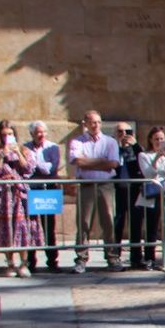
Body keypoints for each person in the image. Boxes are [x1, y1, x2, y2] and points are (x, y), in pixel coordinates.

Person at [0, 121, 40, 277]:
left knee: (22, 226)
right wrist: (0, 156)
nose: (7, 137)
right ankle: (10, 264)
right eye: (4, 134)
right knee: (6, 228)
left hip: (19, 192)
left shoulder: (24, 149)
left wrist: (18, 153)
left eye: (10, 134)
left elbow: (29, 169)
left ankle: (24, 263)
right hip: (2, 194)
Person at [67, 109, 121, 273]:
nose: (95, 125)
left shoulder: (110, 142)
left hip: (105, 185)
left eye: (98, 122)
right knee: (84, 222)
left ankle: (112, 257)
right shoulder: (77, 141)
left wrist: (90, 162)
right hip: (87, 184)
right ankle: (81, 258)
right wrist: (101, 162)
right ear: (86, 124)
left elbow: (113, 164)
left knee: (109, 222)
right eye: (92, 122)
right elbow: (77, 161)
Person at [138, 126, 165, 270]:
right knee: (151, 228)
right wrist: (156, 159)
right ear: (151, 140)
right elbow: (149, 174)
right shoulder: (144, 155)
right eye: (156, 139)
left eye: (161, 139)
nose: (159, 141)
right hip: (153, 194)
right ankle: (150, 258)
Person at [24, 120, 62, 272]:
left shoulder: (53, 148)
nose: (41, 135)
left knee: (49, 227)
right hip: (32, 189)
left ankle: (52, 261)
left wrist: (33, 160)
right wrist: (34, 164)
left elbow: (49, 169)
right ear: (32, 134)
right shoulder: (25, 147)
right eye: (38, 132)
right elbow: (26, 170)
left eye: (43, 132)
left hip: (48, 190)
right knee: (31, 227)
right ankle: (31, 262)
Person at [112, 121, 145, 271]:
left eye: (127, 131)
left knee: (135, 224)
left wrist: (135, 145)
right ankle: (115, 255)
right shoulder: (113, 149)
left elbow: (143, 162)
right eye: (120, 132)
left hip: (134, 190)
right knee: (118, 222)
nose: (124, 135)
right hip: (118, 189)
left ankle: (136, 257)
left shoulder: (136, 149)